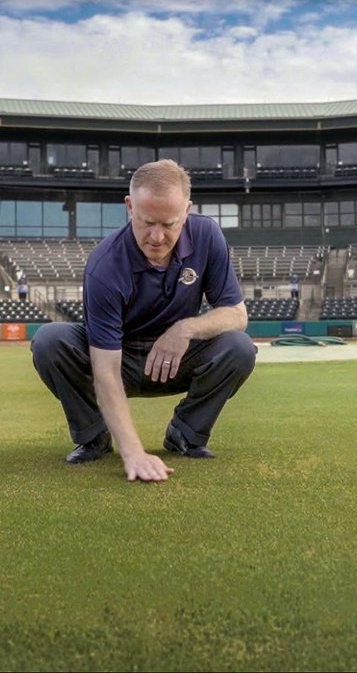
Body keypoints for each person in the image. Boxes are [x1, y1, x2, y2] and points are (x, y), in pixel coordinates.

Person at [31, 159, 256, 483]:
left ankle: (186, 434)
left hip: (177, 358)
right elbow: (106, 370)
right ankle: (93, 435)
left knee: (239, 348)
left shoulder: (207, 236)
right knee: (50, 341)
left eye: (170, 224)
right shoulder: (105, 266)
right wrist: (133, 451)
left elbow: (237, 314)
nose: (157, 237)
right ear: (129, 207)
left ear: (187, 211)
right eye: (147, 222)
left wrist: (185, 328)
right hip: (118, 358)